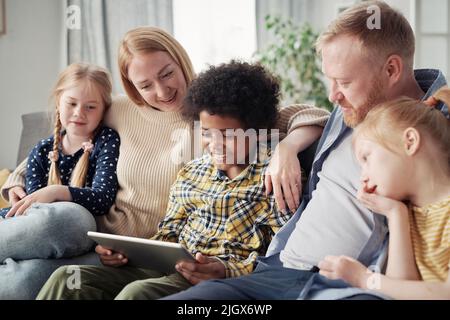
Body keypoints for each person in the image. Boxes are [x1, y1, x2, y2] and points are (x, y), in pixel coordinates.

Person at [0, 27, 328, 299]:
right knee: (61, 226)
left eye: (167, 73)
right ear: (133, 88)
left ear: (179, 59)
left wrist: (286, 148)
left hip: (165, 258)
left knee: (24, 281)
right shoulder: (121, 110)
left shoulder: (219, 107)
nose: (161, 90)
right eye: (144, 85)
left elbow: (308, 115)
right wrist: (18, 179)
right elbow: (70, 125)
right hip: (110, 240)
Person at [163, 0, 449, 300]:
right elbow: (263, 116)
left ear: (391, 69)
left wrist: (369, 281)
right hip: (276, 272)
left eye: (344, 81)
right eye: (330, 79)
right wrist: (288, 146)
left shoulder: (436, 130)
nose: (332, 94)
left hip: (347, 286)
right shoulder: (349, 106)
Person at [318, 89, 450, 299]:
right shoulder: (409, 213)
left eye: (366, 158)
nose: (362, 177)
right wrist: (396, 215)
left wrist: (364, 279)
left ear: (410, 142)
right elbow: (402, 289)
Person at [0, 63, 120, 268]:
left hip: (74, 229)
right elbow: (33, 209)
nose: (79, 113)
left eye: (90, 107)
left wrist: (58, 192)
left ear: (104, 110)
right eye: (71, 103)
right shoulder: (42, 149)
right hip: (37, 231)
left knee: (61, 219)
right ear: (58, 102)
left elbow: (103, 199)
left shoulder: (106, 141)